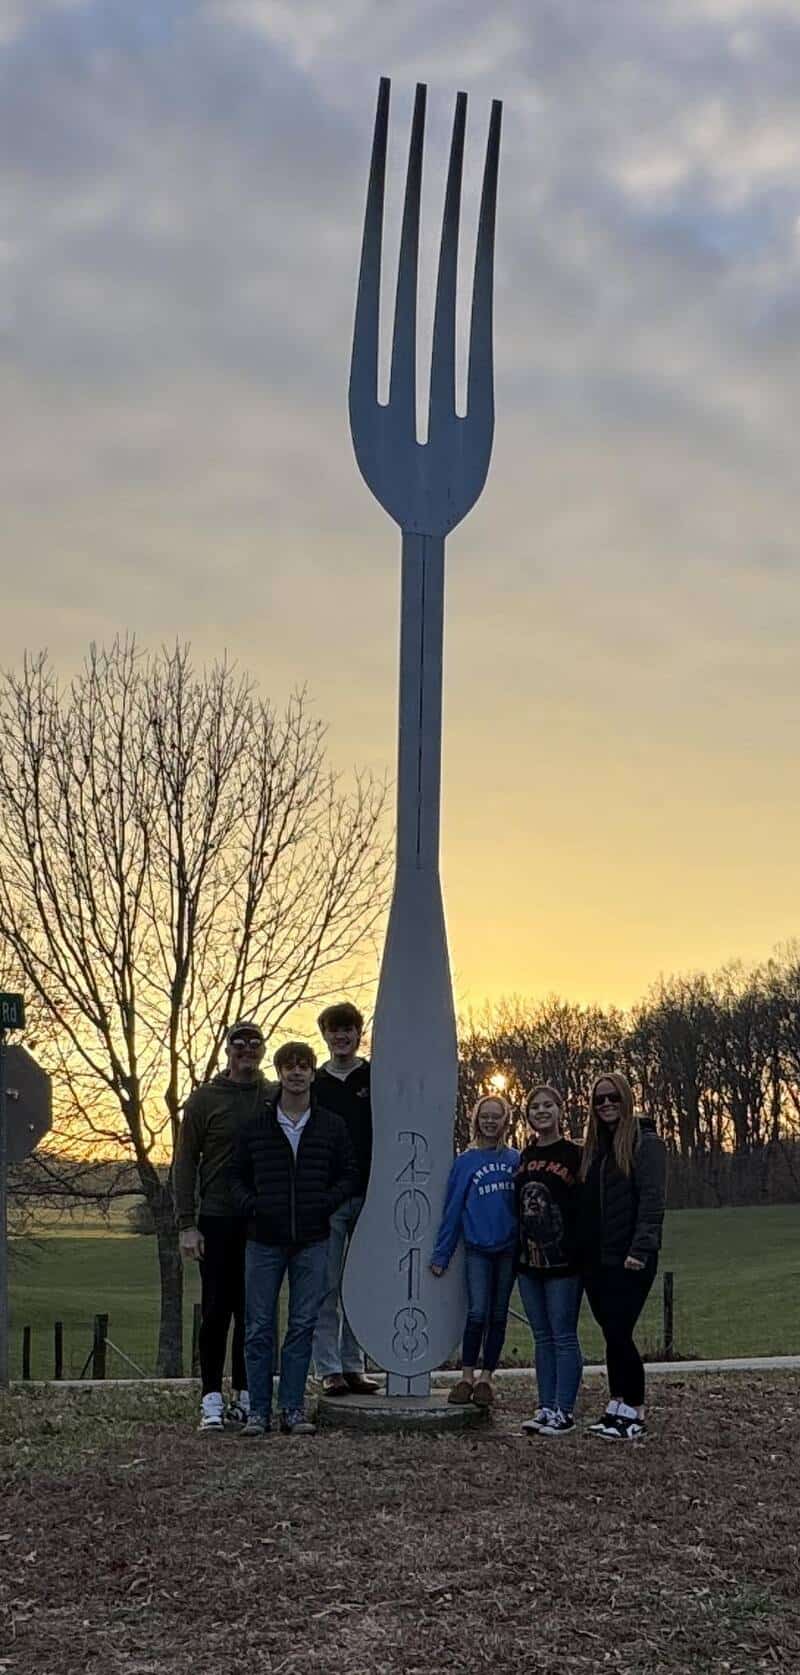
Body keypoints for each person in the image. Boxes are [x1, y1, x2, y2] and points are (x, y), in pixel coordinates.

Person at [230, 1040, 358, 1437]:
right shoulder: (256, 1126)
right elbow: (234, 1177)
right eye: (290, 1066)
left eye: (304, 1066)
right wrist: (254, 1206)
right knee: (258, 1327)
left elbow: (349, 1173)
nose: (297, 1072)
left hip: (313, 1239)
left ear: (312, 1073)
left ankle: (292, 1409)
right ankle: (258, 1412)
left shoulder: (331, 1125)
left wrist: (324, 1203)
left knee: (302, 1325)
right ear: (280, 1073)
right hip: (263, 1240)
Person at [174, 1020, 273, 1433]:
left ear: (262, 1050)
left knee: (254, 1313)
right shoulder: (204, 1100)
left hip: (261, 1220)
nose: (247, 1050)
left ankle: (247, 1397)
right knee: (216, 1311)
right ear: (228, 1050)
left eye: (254, 1043)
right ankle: (211, 1399)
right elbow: (184, 1161)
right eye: (239, 1043)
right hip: (216, 1217)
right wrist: (186, 1223)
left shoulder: (274, 1095)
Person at [579, 1071, 667, 1441]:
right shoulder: (594, 1148)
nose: (606, 1104)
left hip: (630, 1257)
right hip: (597, 1260)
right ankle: (616, 1405)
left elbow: (652, 1202)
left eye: (612, 1097)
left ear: (626, 1099)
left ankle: (636, 1410)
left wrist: (640, 1249)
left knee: (619, 1330)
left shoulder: (646, 1144)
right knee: (611, 1333)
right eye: (599, 1099)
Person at [430, 1094, 520, 1408]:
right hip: (478, 1249)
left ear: (505, 1120)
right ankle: (466, 1376)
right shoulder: (465, 1162)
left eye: (497, 1116)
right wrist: (441, 1254)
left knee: (498, 1315)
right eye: (485, 1116)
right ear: (477, 1120)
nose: (491, 1121)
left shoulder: (515, 1159)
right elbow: (453, 1210)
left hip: (508, 1250)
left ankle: (486, 1378)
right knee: (477, 1312)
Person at [311, 1002, 379, 1396]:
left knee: (361, 1285)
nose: (341, 1037)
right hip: (329, 1199)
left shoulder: (374, 1076)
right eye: (334, 1030)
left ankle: (355, 1365)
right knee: (327, 1285)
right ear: (325, 1035)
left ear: (358, 1033)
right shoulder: (315, 1083)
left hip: (370, 1195)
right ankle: (329, 1368)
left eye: (347, 1030)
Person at [515, 1084, 584, 1438]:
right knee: (541, 1336)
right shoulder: (524, 1156)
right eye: (534, 1107)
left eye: (547, 1105)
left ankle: (564, 1411)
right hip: (528, 1263)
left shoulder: (575, 1155)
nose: (541, 1111)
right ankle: (545, 1407)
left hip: (564, 1263)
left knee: (563, 1335)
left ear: (560, 1110)